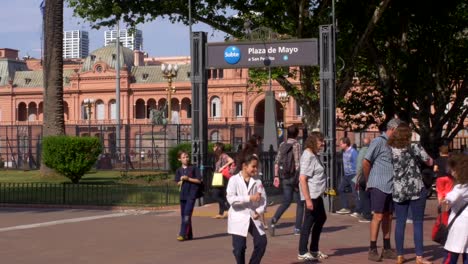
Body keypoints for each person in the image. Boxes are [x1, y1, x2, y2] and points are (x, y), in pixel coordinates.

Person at [387, 122, 433, 264]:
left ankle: (400, 255)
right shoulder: (415, 147)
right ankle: (419, 256)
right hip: (416, 188)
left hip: (399, 189)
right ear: (408, 135)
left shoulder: (390, 149)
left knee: (400, 222)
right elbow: (429, 162)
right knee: (418, 222)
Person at [362, 118, 401, 262]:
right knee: (377, 216)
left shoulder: (394, 145)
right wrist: (369, 181)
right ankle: (372, 248)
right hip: (378, 185)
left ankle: (387, 248)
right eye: (399, 131)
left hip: (390, 186)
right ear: (392, 129)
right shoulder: (378, 142)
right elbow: (366, 162)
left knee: (388, 216)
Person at [226, 154, 267, 264]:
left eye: (256, 166)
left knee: (262, 242)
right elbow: (231, 199)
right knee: (239, 249)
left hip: (253, 215)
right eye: (253, 166)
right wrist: (249, 198)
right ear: (244, 166)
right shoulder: (234, 180)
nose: (255, 169)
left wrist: (259, 211)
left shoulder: (257, 182)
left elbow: (263, 200)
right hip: (238, 216)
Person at [297, 132, 329, 261]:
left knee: (321, 218)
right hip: (311, 195)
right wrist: (308, 199)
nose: (323, 143)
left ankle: (314, 249)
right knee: (308, 222)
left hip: (317, 194)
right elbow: (303, 178)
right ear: (313, 141)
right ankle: (302, 251)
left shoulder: (314, 155)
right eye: (320, 141)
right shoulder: (308, 156)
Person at [270, 125, 304, 236]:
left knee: (286, 202)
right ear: (297, 134)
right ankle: (297, 228)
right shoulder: (297, 145)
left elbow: (277, 161)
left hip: (284, 177)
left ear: (287, 134)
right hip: (295, 178)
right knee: (300, 203)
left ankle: (274, 220)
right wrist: (299, 178)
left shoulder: (282, 145)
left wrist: (276, 176)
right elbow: (298, 163)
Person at [442, 154, 468, 264]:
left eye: (453, 170)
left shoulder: (460, 186)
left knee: (451, 255)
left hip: (460, 224)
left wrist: (444, 201)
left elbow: (451, 197)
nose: (452, 172)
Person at [174, 150, 202, 241]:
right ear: (179, 159)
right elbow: (177, 182)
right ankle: (189, 234)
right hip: (183, 195)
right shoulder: (179, 170)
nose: (186, 159)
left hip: (191, 195)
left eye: (187, 157)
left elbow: (199, 180)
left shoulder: (194, 168)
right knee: (184, 215)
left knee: (187, 214)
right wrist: (180, 181)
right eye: (184, 157)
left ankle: (182, 233)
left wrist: (188, 178)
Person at [336, 137, 359, 215]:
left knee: (355, 192)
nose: (340, 145)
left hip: (353, 174)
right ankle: (345, 207)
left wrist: (357, 176)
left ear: (346, 144)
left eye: (341, 143)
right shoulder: (344, 152)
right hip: (346, 175)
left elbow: (357, 163)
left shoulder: (353, 152)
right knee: (340, 189)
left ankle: (358, 210)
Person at [212, 142, 234, 219]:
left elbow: (231, 160)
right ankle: (221, 213)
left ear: (219, 148)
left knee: (215, 194)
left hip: (222, 177)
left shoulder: (223, 155)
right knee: (220, 194)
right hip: (218, 177)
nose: (213, 148)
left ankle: (226, 208)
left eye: (215, 146)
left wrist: (222, 167)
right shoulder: (217, 156)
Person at [355, 137, 372, 222]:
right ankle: (368, 212)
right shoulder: (372, 150)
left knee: (364, 196)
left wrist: (357, 177)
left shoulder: (362, 151)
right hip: (372, 175)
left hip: (364, 175)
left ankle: (366, 214)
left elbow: (359, 165)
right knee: (368, 195)